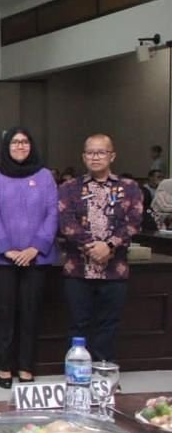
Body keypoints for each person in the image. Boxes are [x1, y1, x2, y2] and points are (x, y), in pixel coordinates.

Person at [0, 127, 58, 388]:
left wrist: (36, 247)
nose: (20, 146)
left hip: (36, 258)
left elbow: (53, 213)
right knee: (4, 314)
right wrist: (6, 249)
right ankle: (4, 366)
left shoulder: (45, 175)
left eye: (25, 141)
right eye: (14, 142)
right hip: (2, 258)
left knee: (30, 313)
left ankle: (26, 366)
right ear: (6, 146)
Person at [58, 134, 143, 361]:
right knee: (78, 323)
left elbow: (134, 222)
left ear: (112, 156)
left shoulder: (129, 187)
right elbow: (66, 222)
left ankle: (104, 371)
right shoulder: (69, 187)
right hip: (78, 269)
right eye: (90, 153)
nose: (95, 157)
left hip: (115, 270)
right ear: (83, 157)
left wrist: (109, 245)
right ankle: (78, 372)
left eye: (101, 152)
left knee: (109, 324)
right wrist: (92, 247)